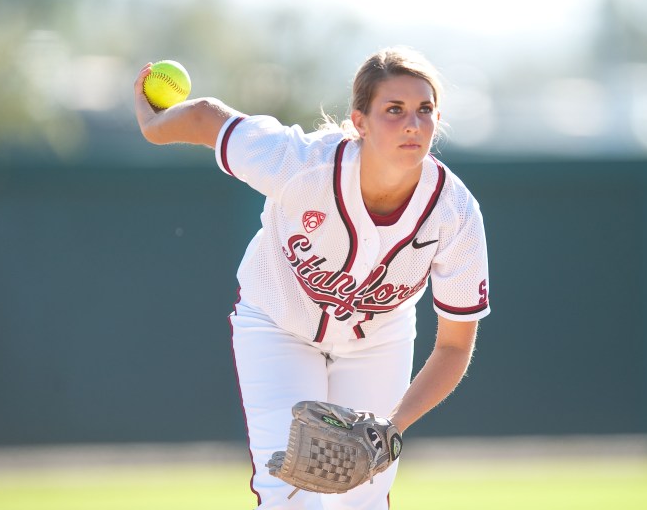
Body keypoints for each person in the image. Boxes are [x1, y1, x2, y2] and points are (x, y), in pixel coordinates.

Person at [134, 46, 490, 510]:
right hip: (277, 322)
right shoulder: (300, 163)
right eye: (394, 110)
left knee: (363, 497)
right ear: (359, 121)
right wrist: (151, 126)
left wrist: (392, 428)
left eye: (425, 110)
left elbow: (454, 346)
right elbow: (204, 117)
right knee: (288, 495)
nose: (412, 124)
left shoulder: (454, 212)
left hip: (377, 339)